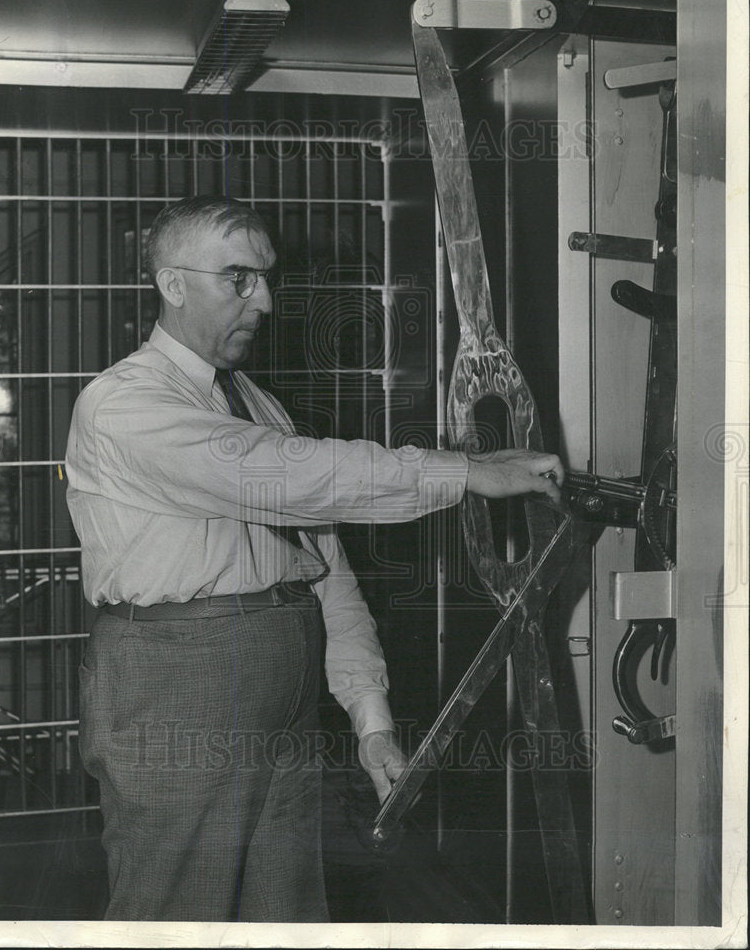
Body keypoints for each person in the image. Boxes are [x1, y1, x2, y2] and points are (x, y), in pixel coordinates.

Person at [65, 195, 563, 923]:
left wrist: (371, 722)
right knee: (175, 915)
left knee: (288, 914)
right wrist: (463, 472)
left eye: (267, 279)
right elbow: (291, 474)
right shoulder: (122, 405)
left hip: (283, 686)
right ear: (173, 284)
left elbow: (322, 574)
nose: (263, 300)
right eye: (239, 278)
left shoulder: (259, 405)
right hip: (179, 686)